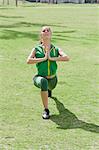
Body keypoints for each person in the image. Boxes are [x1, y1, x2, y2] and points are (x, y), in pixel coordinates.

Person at [27, 26, 70, 119]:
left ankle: (49, 90)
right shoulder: (36, 49)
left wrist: (51, 58)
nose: (46, 31)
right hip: (40, 77)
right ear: (41, 35)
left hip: (53, 79)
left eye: (48, 30)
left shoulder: (56, 49)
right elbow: (28, 60)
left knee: (50, 87)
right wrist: (43, 58)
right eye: (44, 31)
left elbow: (67, 58)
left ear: (51, 35)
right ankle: (46, 110)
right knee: (43, 82)